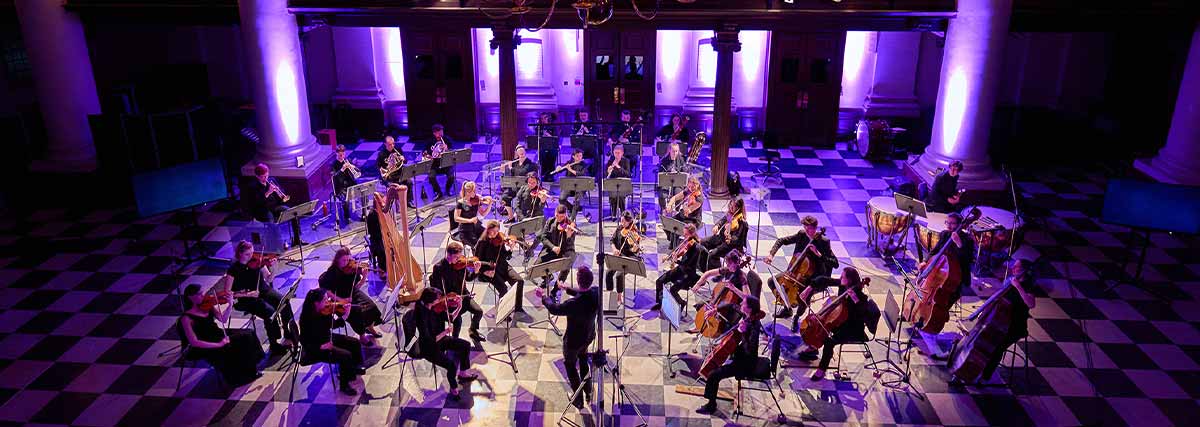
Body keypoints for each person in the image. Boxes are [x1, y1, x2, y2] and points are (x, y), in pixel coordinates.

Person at [219, 240, 299, 354]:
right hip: (247, 299)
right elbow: (227, 293)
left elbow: (269, 279)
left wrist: (275, 268)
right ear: (240, 254)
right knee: (269, 312)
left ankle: (289, 333)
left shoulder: (257, 261)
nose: (251, 256)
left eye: (252, 253)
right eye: (247, 254)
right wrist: (247, 294)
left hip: (264, 290)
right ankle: (274, 344)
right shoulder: (233, 270)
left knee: (284, 301)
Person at [536, 266, 599, 409]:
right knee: (583, 361)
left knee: (570, 367)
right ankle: (588, 391)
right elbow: (583, 293)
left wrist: (544, 297)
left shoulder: (572, 304)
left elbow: (554, 309)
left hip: (573, 342)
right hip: (588, 336)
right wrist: (566, 288)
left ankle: (578, 401)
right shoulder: (596, 292)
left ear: (578, 280)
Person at [179, 284, 265, 386]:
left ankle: (252, 366)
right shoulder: (186, 318)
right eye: (199, 294)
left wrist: (229, 304)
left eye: (203, 293)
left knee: (249, 333)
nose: (203, 296)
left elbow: (223, 319)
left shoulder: (207, 305)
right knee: (240, 341)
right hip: (205, 344)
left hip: (216, 333)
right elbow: (194, 342)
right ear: (190, 297)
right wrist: (219, 344)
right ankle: (239, 378)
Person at [696, 296, 763, 415]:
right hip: (739, 354)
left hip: (746, 363)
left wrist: (744, 334)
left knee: (713, 375)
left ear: (749, 309)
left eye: (744, 303)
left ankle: (711, 405)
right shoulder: (746, 315)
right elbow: (731, 305)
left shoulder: (754, 326)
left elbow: (750, 350)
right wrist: (715, 309)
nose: (741, 303)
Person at [764, 215, 839, 320]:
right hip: (794, 272)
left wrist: (819, 255)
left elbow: (835, 264)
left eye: (809, 228)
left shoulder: (823, 242)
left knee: (803, 298)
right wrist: (771, 255)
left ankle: (796, 317)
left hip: (812, 278)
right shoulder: (801, 235)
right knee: (772, 282)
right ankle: (787, 308)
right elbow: (781, 241)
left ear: (815, 227)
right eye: (805, 227)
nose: (807, 231)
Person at [411, 287, 480, 400]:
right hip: (429, 347)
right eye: (438, 299)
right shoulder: (421, 316)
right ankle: (453, 389)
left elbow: (451, 318)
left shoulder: (434, 308)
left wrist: (459, 306)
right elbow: (431, 340)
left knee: (465, 345)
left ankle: (462, 373)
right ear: (430, 301)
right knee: (451, 365)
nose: (442, 300)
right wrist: (446, 332)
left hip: (440, 338)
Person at [808, 267, 872, 381]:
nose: (840, 278)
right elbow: (824, 279)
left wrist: (855, 300)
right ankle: (813, 347)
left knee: (829, 341)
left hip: (852, 329)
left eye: (843, 277)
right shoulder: (844, 286)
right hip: (840, 323)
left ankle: (821, 370)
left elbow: (864, 315)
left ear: (850, 280)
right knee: (821, 326)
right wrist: (810, 286)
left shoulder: (861, 297)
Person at [298, 288, 364, 395]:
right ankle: (344, 385)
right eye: (325, 300)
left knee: (354, 342)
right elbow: (304, 341)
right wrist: (321, 347)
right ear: (316, 303)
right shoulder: (306, 319)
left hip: (327, 337)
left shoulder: (324, 311)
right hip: (316, 348)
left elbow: (332, 324)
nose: (328, 302)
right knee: (345, 355)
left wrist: (345, 314)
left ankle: (352, 369)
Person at [317, 247, 385, 346]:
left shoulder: (352, 268)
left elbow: (356, 287)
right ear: (337, 260)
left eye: (349, 259)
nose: (347, 262)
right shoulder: (332, 272)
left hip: (353, 293)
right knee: (357, 314)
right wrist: (341, 300)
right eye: (344, 260)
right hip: (338, 299)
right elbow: (326, 290)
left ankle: (370, 328)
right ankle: (362, 336)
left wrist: (364, 277)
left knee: (371, 306)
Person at [428, 241, 485, 341]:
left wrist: (476, 271)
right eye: (456, 257)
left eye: (460, 257)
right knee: (458, 320)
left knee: (479, 311)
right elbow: (436, 288)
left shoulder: (461, 264)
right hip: (450, 300)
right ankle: (454, 341)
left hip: (463, 295)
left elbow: (468, 277)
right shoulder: (439, 267)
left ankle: (473, 330)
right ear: (448, 254)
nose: (459, 260)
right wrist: (450, 297)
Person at [474, 220, 527, 317]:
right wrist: (484, 272)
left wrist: (510, 248)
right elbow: (476, 261)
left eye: (497, 231)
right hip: (488, 271)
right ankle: (501, 313)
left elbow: (504, 255)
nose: (496, 233)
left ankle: (518, 307)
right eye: (493, 231)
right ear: (488, 230)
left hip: (502, 266)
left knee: (519, 281)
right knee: (503, 289)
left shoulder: (499, 238)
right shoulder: (482, 242)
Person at [245, 163, 303, 247]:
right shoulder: (253, 187)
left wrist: (281, 195)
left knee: (293, 213)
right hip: (263, 210)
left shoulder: (272, 180)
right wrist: (268, 192)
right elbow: (256, 203)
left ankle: (297, 240)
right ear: (257, 176)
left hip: (275, 207)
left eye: (266, 175)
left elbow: (279, 199)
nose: (266, 178)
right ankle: (276, 246)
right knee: (271, 222)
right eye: (263, 177)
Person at [689, 250, 752, 326]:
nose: (727, 266)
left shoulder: (742, 276)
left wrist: (734, 288)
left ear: (736, 263)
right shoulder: (727, 269)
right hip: (721, 299)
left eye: (729, 264)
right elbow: (708, 273)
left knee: (717, 316)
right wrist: (698, 284)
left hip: (733, 304)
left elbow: (747, 297)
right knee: (700, 305)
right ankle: (701, 325)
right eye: (727, 263)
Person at [653, 223, 702, 311]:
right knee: (659, 282)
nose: (684, 236)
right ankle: (660, 303)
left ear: (692, 234)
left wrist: (676, 261)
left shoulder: (696, 248)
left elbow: (687, 264)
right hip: (680, 269)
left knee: (673, 290)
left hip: (688, 274)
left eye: (686, 234)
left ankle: (682, 303)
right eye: (684, 233)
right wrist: (669, 256)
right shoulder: (686, 241)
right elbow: (678, 251)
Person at [536, 204, 577, 288]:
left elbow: (570, 244)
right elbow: (543, 237)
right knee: (537, 265)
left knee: (566, 264)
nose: (559, 219)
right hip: (552, 249)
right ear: (555, 213)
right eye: (557, 216)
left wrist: (568, 236)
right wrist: (552, 247)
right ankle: (548, 277)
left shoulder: (571, 225)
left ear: (565, 215)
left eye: (562, 217)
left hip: (566, 250)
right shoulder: (550, 221)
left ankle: (556, 290)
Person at [701, 197, 748, 269]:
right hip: (721, 239)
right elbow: (722, 220)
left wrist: (729, 237)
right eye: (730, 205)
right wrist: (717, 226)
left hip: (731, 246)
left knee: (712, 254)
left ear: (739, 208)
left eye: (733, 207)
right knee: (703, 242)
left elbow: (737, 239)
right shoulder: (730, 214)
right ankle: (703, 267)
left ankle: (717, 272)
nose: (731, 208)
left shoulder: (742, 222)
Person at [365, 184, 402, 273]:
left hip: (385, 235)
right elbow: (373, 232)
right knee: (383, 248)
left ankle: (396, 263)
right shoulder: (372, 215)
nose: (384, 205)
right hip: (376, 238)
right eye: (382, 204)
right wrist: (385, 235)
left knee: (398, 243)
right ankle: (384, 269)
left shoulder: (385, 211)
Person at [604, 211, 642, 295]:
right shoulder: (620, 228)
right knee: (608, 272)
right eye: (621, 221)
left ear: (629, 221)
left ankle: (619, 295)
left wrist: (634, 249)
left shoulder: (635, 232)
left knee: (619, 275)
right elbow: (612, 240)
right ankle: (609, 292)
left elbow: (634, 251)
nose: (622, 223)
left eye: (624, 221)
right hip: (619, 255)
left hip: (629, 257)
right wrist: (614, 249)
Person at [663, 175, 704, 249]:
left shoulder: (699, 199)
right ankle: (673, 240)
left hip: (693, 219)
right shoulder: (687, 191)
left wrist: (684, 204)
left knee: (676, 229)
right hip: (684, 215)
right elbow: (674, 197)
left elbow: (688, 211)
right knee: (666, 224)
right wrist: (669, 205)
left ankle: (675, 246)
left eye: (693, 187)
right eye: (689, 186)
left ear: (697, 185)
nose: (691, 189)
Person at [376, 136, 415, 208]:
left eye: (393, 144)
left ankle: (409, 201)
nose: (392, 146)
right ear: (385, 144)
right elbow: (378, 167)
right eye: (390, 144)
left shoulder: (398, 150)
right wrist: (385, 170)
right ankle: (393, 204)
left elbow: (405, 161)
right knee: (395, 186)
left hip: (399, 173)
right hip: (390, 177)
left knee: (409, 182)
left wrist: (403, 158)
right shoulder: (381, 154)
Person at [501, 145, 539, 219]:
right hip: (515, 187)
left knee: (519, 200)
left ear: (525, 152)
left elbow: (522, 172)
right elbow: (512, 176)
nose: (522, 155)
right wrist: (504, 171)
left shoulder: (529, 164)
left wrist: (511, 168)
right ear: (517, 154)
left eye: (523, 153)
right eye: (520, 153)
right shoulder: (515, 162)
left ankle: (521, 216)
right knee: (504, 197)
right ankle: (511, 217)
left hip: (525, 188)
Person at [451, 181, 491, 246]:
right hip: (465, 230)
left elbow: (483, 213)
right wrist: (469, 220)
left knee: (489, 237)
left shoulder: (476, 200)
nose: (476, 193)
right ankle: (476, 255)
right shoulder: (461, 203)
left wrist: (490, 204)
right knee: (477, 245)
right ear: (468, 192)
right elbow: (456, 218)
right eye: (474, 191)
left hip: (476, 227)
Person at [422, 124, 456, 200]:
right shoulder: (430, 141)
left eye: (441, 131)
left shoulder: (447, 139)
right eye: (438, 132)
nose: (441, 133)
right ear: (434, 133)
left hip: (446, 164)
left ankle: (448, 189)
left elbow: (453, 152)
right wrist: (427, 155)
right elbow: (424, 152)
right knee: (431, 177)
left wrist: (447, 149)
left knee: (451, 176)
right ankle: (438, 192)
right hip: (434, 164)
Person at [555, 149, 590, 221]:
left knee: (577, 201)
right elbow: (561, 169)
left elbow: (582, 174)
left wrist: (570, 170)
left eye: (581, 156)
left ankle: (571, 219)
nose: (580, 157)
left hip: (581, 187)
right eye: (577, 156)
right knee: (561, 199)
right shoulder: (569, 163)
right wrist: (558, 168)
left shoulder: (584, 165)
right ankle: (571, 208)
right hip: (569, 186)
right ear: (573, 156)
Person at [331, 144, 361, 224]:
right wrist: (342, 169)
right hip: (340, 188)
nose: (342, 156)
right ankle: (347, 217)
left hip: (350, 185)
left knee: (364, 192)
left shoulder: (348, 160)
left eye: (343, 154)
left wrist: (351, 166)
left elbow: (358, 171)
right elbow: (334, 178)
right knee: (345, 199)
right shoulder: (333, 164)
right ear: (336, 153)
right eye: (340, 154)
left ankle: (363, 214)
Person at [656, 142, 688, 212]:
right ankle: (664, 209)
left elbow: (685, 170)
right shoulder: (664, 160)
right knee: (662, 195)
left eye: (676, 151)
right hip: (666, 182)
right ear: (669, 151)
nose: (675, 153)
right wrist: (669, 171)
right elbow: (660, 173)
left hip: (677, 182)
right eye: (673, 151)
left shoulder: (681, 159)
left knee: (679, 194)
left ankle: (677, 209)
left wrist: (683, 169)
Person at [603, 144, 633, 218]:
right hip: (613, 185)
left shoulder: (626, 161)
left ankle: (623, 214)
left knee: (621, 195)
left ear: (622, 153)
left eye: (618, 153)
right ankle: (614, 213)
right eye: (615, 153)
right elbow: (606, 175)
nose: (617, 155)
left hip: (624, 185)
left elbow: (628, 174)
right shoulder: (610, 161)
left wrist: (618, 167)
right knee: (613, 195)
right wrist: (608, 171)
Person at [536, 112, 560, 183]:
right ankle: (544, 173)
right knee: (542, 154)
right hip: (543, 146)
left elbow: (557, 138)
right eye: (542, 118)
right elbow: (535, 138)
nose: (544, 119)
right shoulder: (539, 127)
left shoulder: (553, 126)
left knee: (552, 154)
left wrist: (549, 135)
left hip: (552, 146)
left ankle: (551, 174)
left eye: (545, 117)